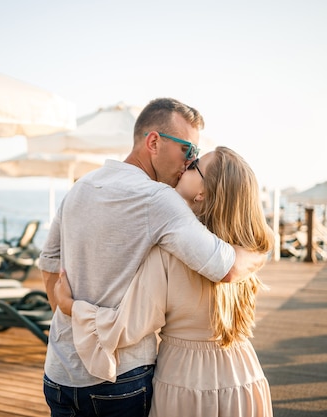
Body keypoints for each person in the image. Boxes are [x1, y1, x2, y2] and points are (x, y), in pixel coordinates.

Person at [39, 98, 266, 417]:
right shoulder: (157, 198)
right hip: (120, 378)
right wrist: (262, 250)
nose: (190, 161)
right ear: (154, 141)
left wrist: (67, 308)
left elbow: (49, 267)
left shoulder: (80, 187)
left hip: (60, 372)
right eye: (189, 150)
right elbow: (226, 268)